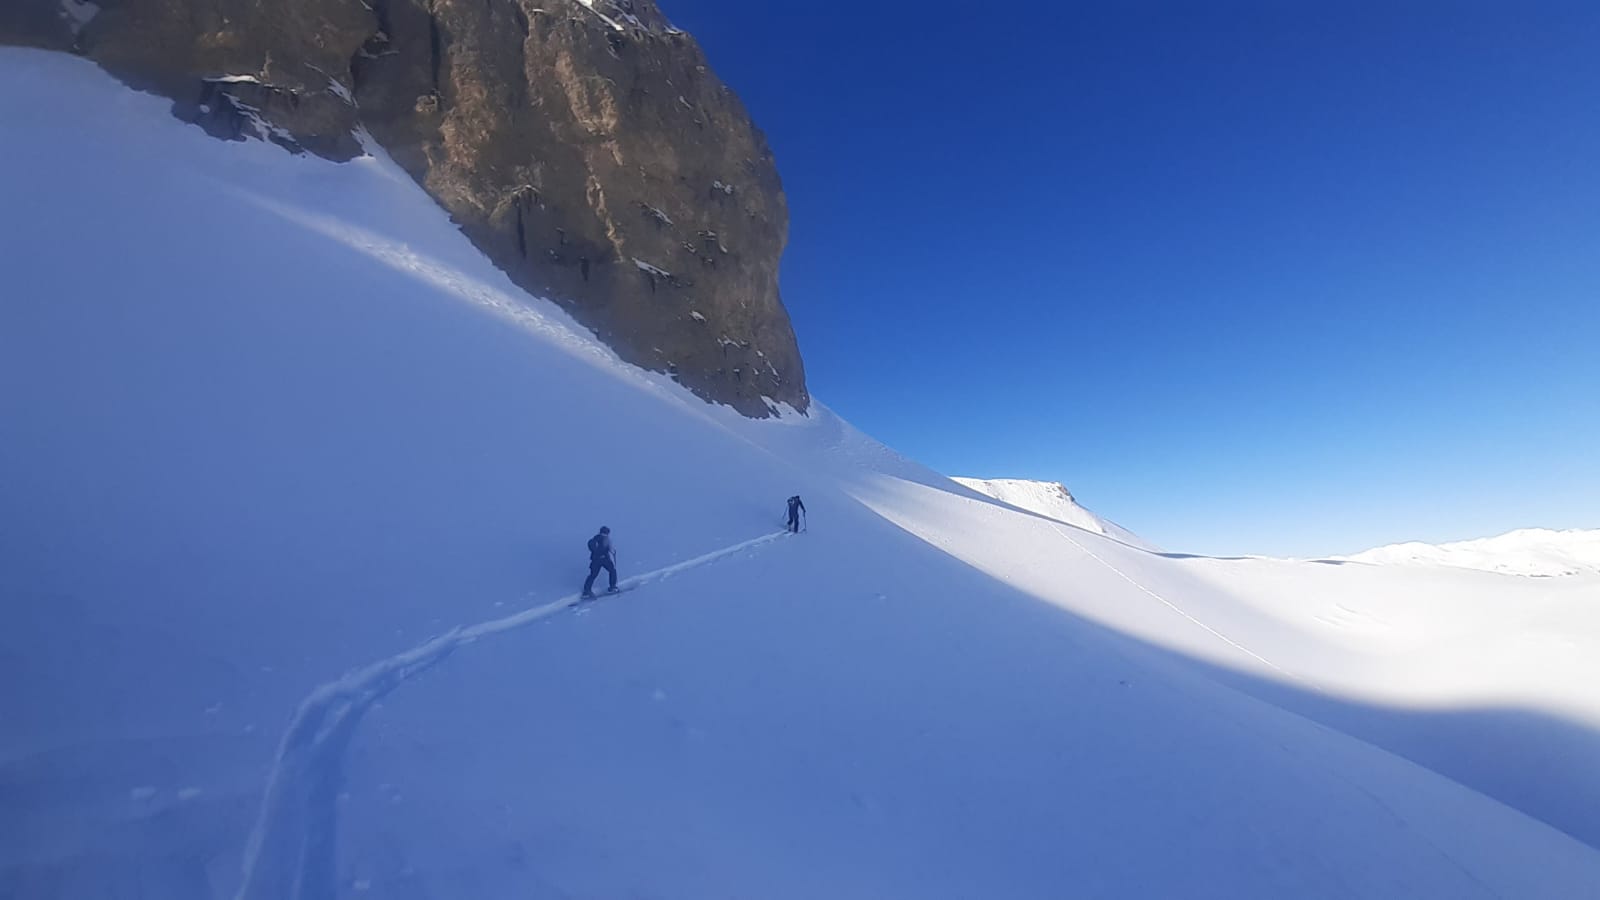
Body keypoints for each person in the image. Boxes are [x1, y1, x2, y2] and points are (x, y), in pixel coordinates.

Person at [582, 526, 618, 598]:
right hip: (604, 559)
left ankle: (586, 591)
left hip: (595, 560)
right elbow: (611, 549)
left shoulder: (595, 538)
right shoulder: (606, 539)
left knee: (593, 574)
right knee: (612, 570)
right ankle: (612, 587)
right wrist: (614, 552)